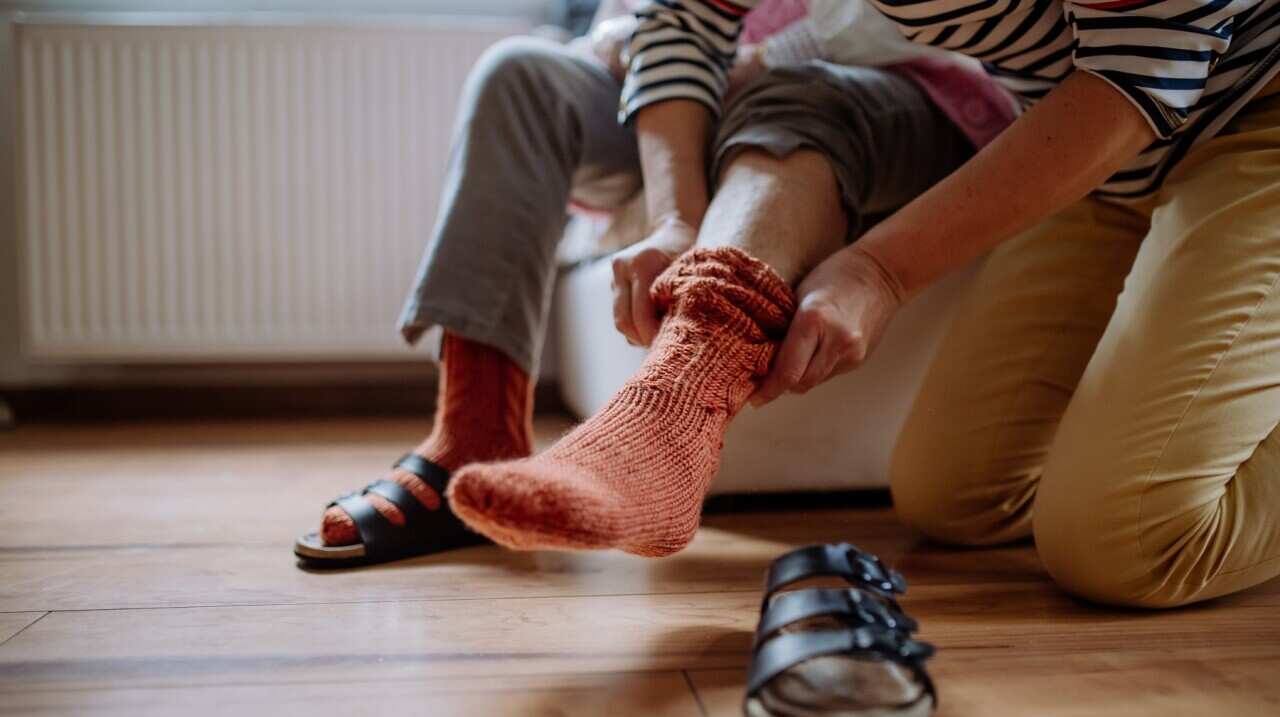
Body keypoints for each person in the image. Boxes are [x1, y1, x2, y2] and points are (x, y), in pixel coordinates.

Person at [452, 0, 1280, 611]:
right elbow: (685, 13)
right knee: (950, 501)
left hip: (1248, 119)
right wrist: (674, 216)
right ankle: (667, 417)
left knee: (1127, 546)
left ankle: (663, 422)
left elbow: (1134, 75)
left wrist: (879, 270)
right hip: (1113, 162)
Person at [293, 0, 1017, 565]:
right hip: (708, 83)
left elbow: (890, 27)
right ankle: (473, 435)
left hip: (889, 84)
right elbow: (672, 24)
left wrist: (761, 58)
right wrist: (675, 217)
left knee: (799, 92)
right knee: (519, 75)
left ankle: (663, 428)